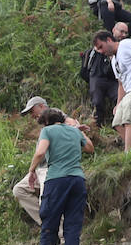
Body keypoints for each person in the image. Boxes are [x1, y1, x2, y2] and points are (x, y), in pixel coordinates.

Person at [28, 108, 94, 245]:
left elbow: (40, 152)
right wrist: (79, 132)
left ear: (45, 122)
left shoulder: (47, 131)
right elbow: (90, 148)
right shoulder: (74, 131)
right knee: (73, 224)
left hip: (56, 180)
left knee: (50, 223)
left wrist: (31, 170)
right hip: (77, 180)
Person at [14, 97, 81, 226]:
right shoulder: (45, 125)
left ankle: (60, 234)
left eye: (32, 111)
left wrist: (31, 169)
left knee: (48, 203)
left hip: (50, 169)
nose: (32, 115)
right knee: (19, 190)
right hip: (41, 168)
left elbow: (70, 122)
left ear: (41, 106)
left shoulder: (54, 114)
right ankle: (48, 226)